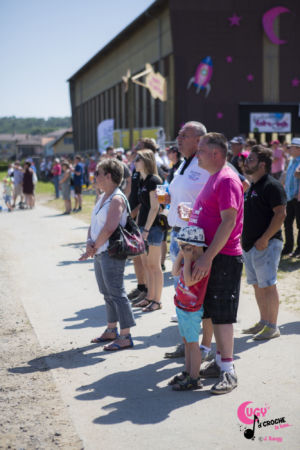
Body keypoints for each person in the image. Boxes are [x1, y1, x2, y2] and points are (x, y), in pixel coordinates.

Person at [189, 132, 244, 395]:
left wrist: (207, 256)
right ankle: (220, 361)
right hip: (213, 255)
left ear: (215, 153)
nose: (196, 154)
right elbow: (211, 214)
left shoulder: (226, 179)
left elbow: (229, 221)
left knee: (222, 314)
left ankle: (229, 370)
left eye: (200, 150)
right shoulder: (214, 177)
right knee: (212, 310)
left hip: (222, 257)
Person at [162, 121, 211, 360]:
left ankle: (205, 347)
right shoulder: (183, 163)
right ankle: (187, 344)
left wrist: (194, 214)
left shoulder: (208, 164)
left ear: (200, 139)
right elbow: (184, 196)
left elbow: (234, 191)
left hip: (196, 238)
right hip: (178, 235)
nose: (178, 139)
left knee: (198, 292)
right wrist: (169, 198)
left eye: (185, 135)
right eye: (178, 134)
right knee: (181, 292)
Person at [79, 158, 136, 350]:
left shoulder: (117, 198)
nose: (95, 177)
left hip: (110, 252)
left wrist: (93, 246)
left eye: (98, 173)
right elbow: (94, 224)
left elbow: (110, 227)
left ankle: (126, 335)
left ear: (109, 176)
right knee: (107, 293)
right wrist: (89, 243)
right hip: (100, 251)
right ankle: (111, 329)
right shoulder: (102, 197)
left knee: (117, 293)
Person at [242, 145, 287, 340]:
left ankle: (272, 326)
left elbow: (281, 214)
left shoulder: (271, 185)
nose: (246, 163)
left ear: (262, 165)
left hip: (266, 245)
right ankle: (263, 322)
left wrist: (265, 238)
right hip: (251, 245)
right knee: (258, 286)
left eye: (250, 160)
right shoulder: (254, 185)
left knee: (268, 286)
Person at [168, 226, 210, 391]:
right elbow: (174, 272)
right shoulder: (187, 259)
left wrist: (187, 259)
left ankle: (194, 378)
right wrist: (181, 254)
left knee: (193, 344)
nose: (182, 250)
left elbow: (189, 280)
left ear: (194, 247)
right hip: (182, 306)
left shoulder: (201, 264)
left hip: (192, 310)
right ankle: (187, 372)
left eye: (185, 247)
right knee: (186, 342)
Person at [132, 149, 164, 312]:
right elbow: (142, 207)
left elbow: (155, 207)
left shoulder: (154, 180)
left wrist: (145, 230)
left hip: (154, 228)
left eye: (138, 159)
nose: (135, 161)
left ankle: (157, 301)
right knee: (146, 265)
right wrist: (136, 228)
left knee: (154, 266)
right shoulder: (142, 181)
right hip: (143, 227)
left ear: (146, 161)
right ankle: (149, 297)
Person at [282, 137, 300, 257]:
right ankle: (288, 247)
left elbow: (297, 174)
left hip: (297, 199)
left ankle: (299, 249)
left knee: (299, 225)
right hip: (289, 198)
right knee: (287, 223)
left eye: (291, 147)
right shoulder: (291, 160)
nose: (289, 149)